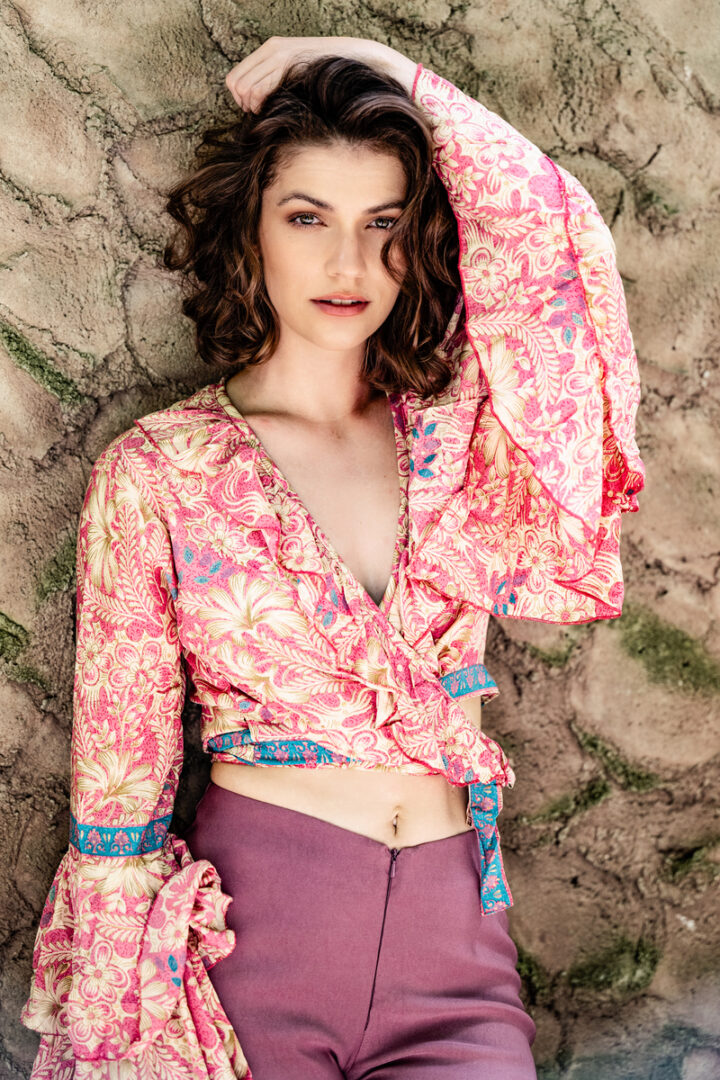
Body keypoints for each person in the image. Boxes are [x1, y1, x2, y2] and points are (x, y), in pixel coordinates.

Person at [19, 34, 644, 1080]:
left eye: (383, 223)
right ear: (252, 230)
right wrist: (122, 1025)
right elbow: (120, 784)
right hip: (253, 951)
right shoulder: (160, 470)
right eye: (307, 218)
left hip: (457, 956)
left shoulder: (461, 437)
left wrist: (381, 66)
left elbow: (555, 246)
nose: (349, 265)